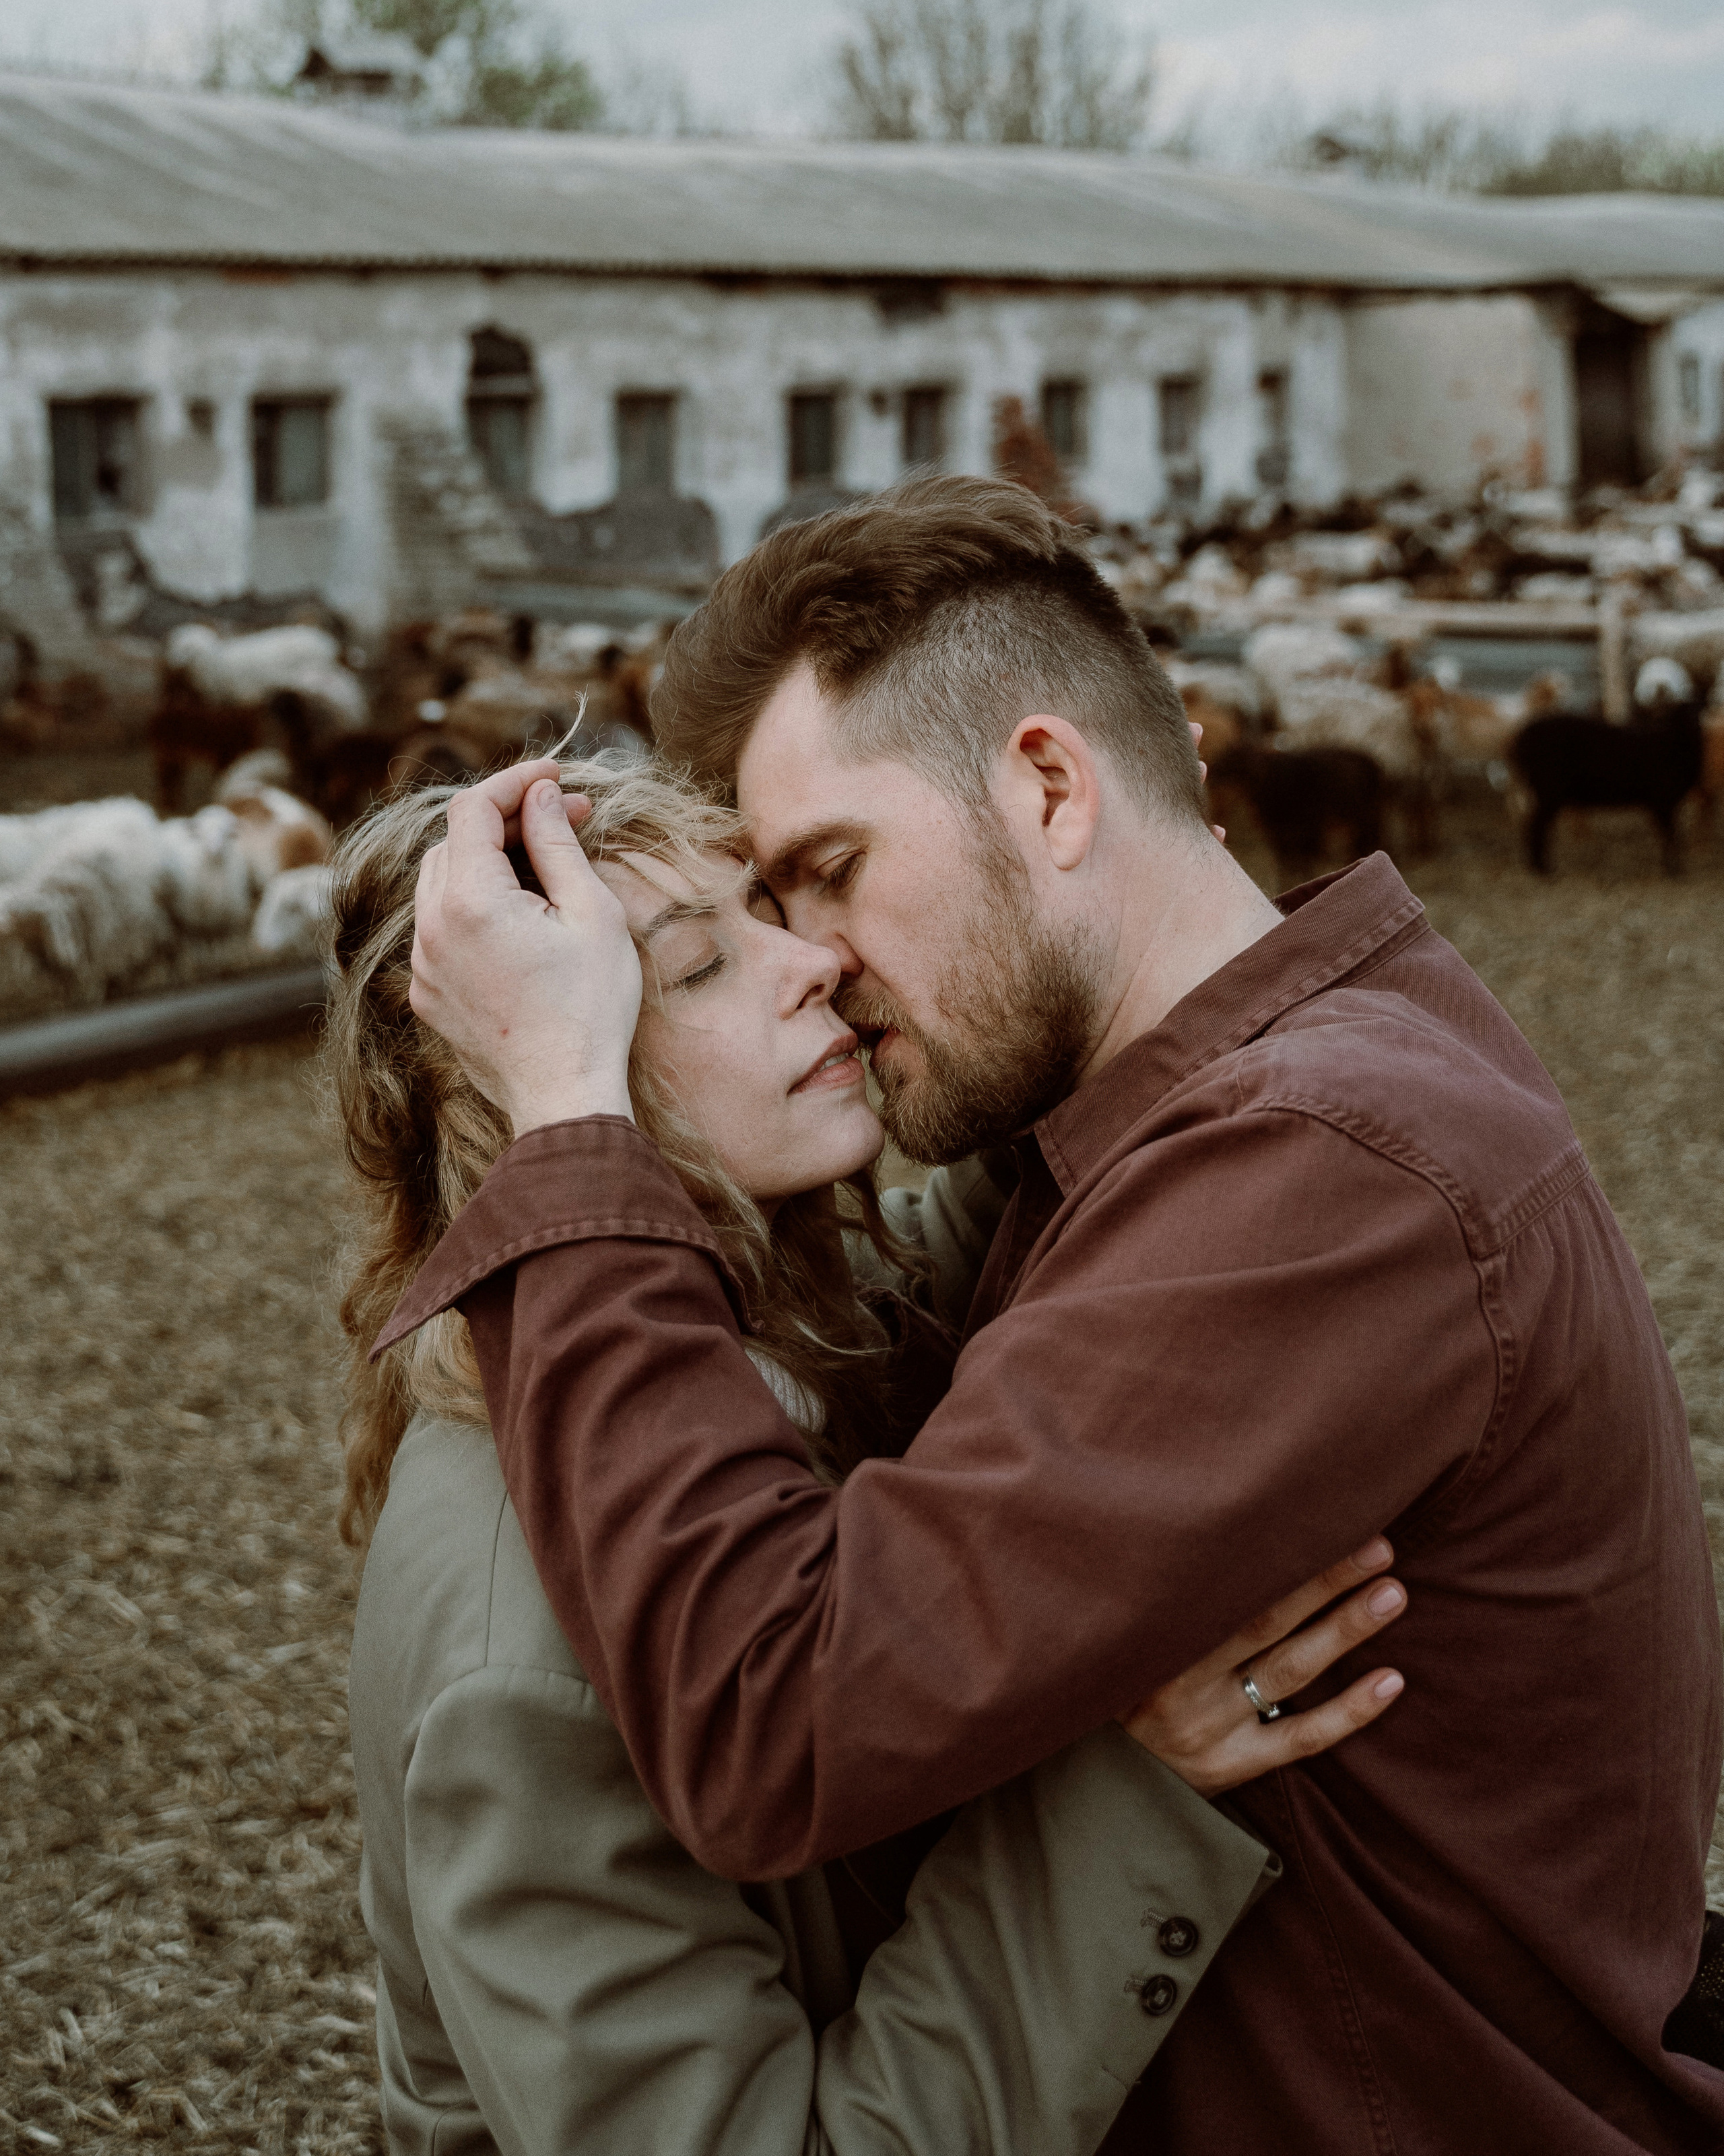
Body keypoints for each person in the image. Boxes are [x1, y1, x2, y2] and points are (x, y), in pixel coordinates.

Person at [389, 476, 1724, 2153]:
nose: (821, 959)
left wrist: (570, 1108)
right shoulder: (1226, 1095)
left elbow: (764, 1716)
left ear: (1045, 784)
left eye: (832, 869)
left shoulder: (1310, 1172)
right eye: (759, 921)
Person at [331, 757, 1408, 2156]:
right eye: (703, 964)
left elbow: (1019, 1195)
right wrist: (1123, 1790)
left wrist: (1121, 901)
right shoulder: (523, 1651)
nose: (812, 963)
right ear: (540, 1096)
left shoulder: (798, 1316)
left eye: (776, 909)